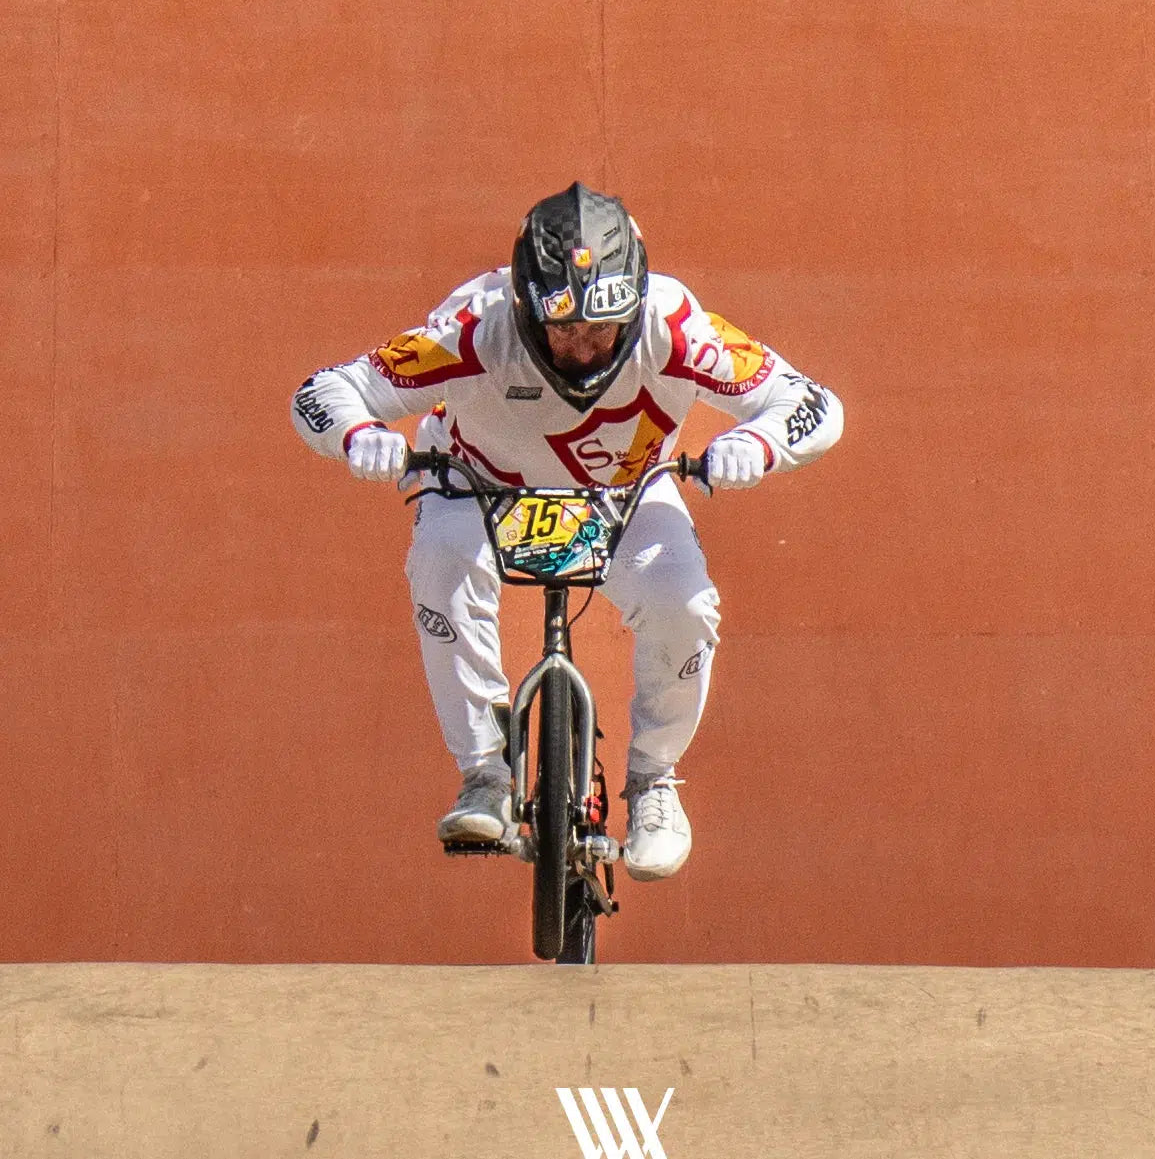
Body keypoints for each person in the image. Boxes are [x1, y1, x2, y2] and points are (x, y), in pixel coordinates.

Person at [291, 182, 842, 881]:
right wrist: (359, 434)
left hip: (622, 493)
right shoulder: (473, 327)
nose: (582, 345)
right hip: (480, 485)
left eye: (601, 327)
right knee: (438, 560)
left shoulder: (676, 328)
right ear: (522, 306)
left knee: (686, 603)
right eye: (562, 328)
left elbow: (812, 403)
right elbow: (324, 391)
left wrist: (758, 444)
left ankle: (654, 781)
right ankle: (484, 775)